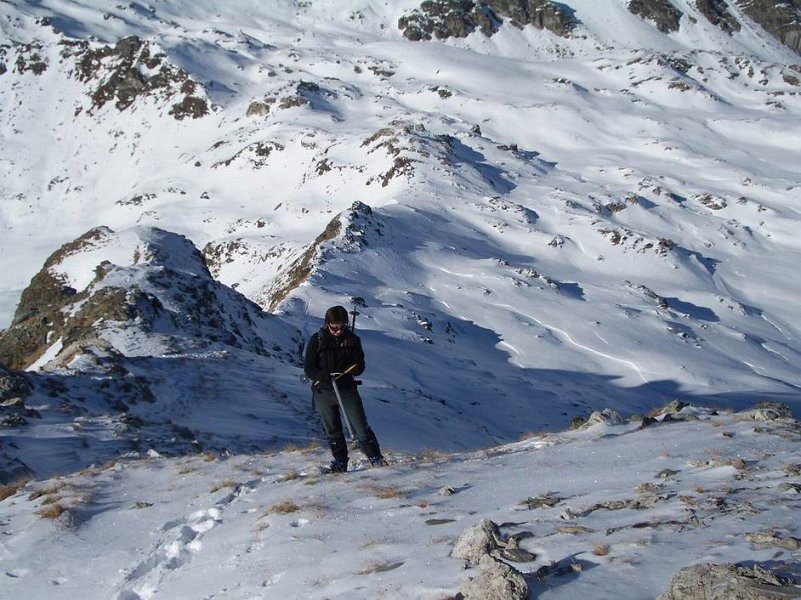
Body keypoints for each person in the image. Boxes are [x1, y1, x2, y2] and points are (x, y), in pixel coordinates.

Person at [304, 305, 384, 473]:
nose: (339, 331)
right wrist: (321, 376)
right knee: (332, 430)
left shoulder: (352, 340)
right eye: (335, 328)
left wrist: (354, 369)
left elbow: (360, 365)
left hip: (346, 389)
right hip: (323, 392)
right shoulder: (317, 340)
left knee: (360, 427)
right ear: (327, 324)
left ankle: (375, 457)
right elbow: (309, 368)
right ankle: (340, 462)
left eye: (342, 327)